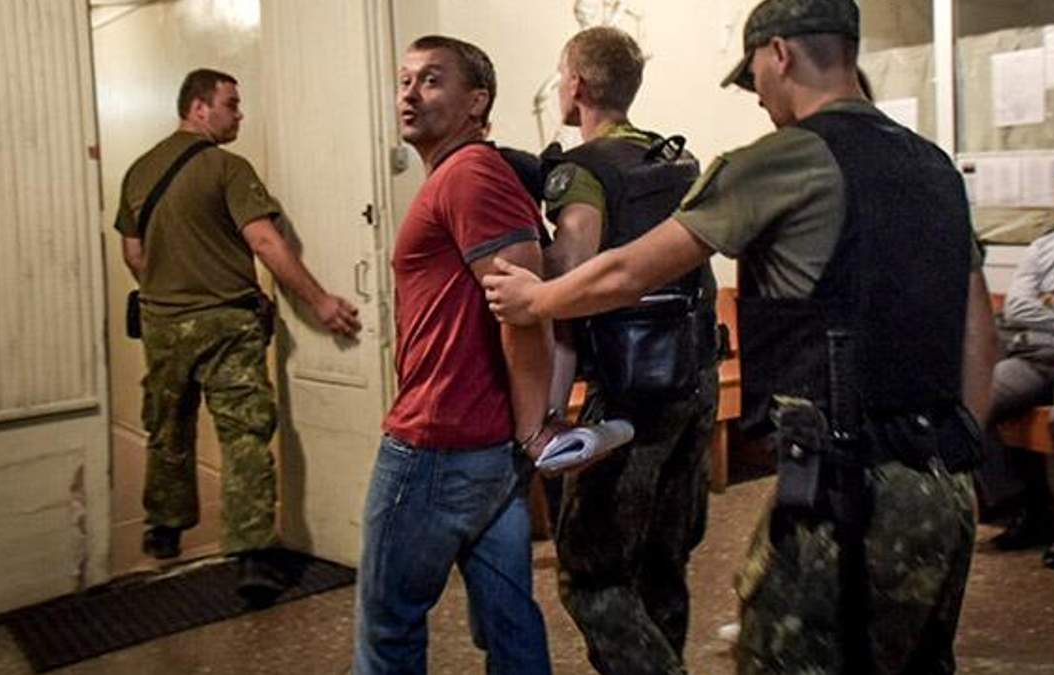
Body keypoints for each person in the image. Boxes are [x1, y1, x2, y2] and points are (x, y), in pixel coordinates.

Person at [483, 0, 999, 672]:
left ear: (778, 54)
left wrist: (535, 299)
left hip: (848, 493)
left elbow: (630, 270)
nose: (757, 96)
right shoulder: (932, 165)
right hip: (945, 485)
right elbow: (978, 329)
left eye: (753, 75)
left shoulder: (782, 157)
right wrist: (958, 459)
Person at [115, 68, 361, 607]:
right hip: (227, 323)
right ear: (199, 108)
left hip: (162, 323)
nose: (239, 115)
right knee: (244, 433)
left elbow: (134, 254)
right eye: (231, 104)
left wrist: (171, 288)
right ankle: (252, 555)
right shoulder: (228, 168)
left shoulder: (139, 170)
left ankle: (165, 528)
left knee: (167, 424)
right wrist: (319, 301)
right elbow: (266, 243)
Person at [352, 36, 553, 675]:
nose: (410, 94)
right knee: (510, 625)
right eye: (405, 80)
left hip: (437, 443)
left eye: (432, 80)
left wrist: (532, 429)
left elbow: (524, 308)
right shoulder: (459, 176)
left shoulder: (470, 175)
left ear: (477, 102)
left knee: (388, 630)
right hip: (483, 444)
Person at [538, 26, 719, 674]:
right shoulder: (676, 158)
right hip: (697, 376)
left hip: (630, 393)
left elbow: (566, 285)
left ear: (578, 85)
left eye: (562, 76)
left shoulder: (584, 171)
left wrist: (547, 411)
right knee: (663, 562)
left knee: (592, 575)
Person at [978, 162, 1054, 568]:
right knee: (972, 400)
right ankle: (1025, 507)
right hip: (1034, 357)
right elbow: (1017, 307)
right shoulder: (1043, 248)